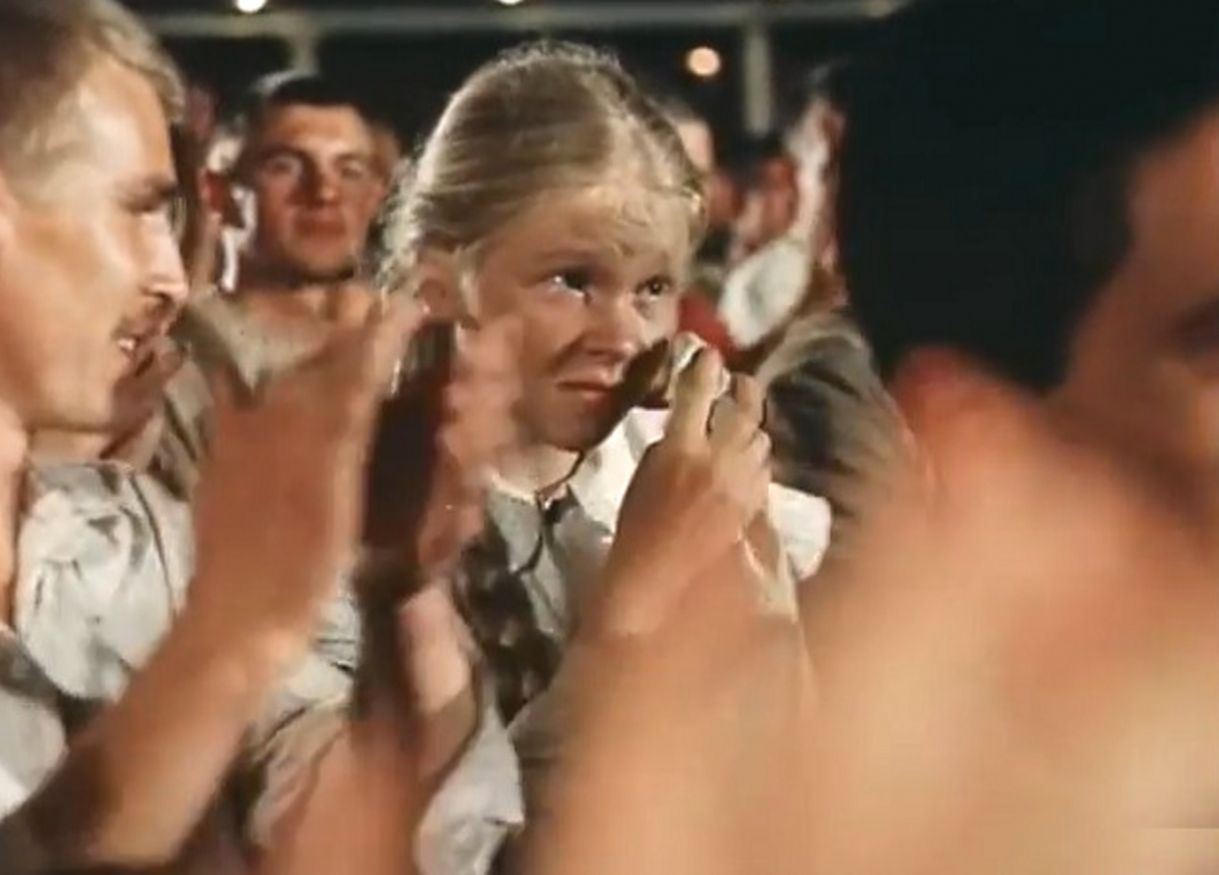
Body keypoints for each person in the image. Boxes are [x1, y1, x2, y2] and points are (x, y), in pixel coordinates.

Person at [0, 1, 429, 871]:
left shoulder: (133, 534)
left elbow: (327, 772)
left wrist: (404, 590)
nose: (169, 276)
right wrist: (230, 642)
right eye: (137, 209)